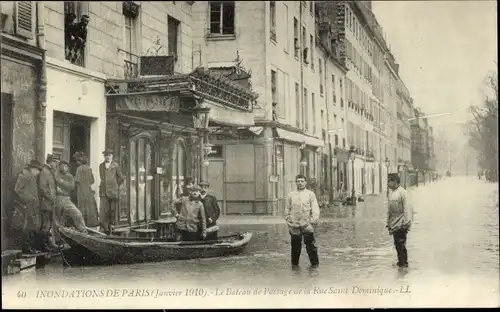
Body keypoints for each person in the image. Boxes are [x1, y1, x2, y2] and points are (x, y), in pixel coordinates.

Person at [285, 174, 320, 269]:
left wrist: (312, 221)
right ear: (296, 182)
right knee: (295, 247)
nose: (300, 183)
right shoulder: (291, 195)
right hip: (294, 225)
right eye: (298, 181)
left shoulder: (310, 194)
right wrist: (288, 220)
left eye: (302, 181)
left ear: (305, 182)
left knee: (311, 247)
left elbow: (315, 209)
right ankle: (295, 266)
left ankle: (315, 266)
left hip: (307, 225)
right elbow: (287, 209)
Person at [11, 160, 43, 253]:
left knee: (32, 226)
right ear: (32, 168)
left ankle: (30, 247)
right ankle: (26, 248)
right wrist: (30, 198)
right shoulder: (24, 176)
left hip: (32, 206)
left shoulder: (31, 176)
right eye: (38, 170)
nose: (38, 172)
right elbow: (18, 190)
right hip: (25, 206)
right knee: (26, 227)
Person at [386, 173, 413, 269]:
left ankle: (404, 263)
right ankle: (400, 262)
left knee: (401, 243)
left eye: (389, 181)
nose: (388, 183)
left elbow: (407, 208)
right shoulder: (391, 193)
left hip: (401, 222)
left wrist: (406, 222)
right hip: (394, 223)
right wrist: (388, 223)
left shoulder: (403, 192)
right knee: (397, 243)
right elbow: (389, 210)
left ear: (395, 181)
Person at [55, 160, 87, 233]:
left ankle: (83, 231)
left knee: (77, 213)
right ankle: (58, 237)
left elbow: (72, 187)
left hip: (66, 198)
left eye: (65, 166)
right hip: (57, 198)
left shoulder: (69, 176)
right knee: (57, 219)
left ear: (68, 167)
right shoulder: (55, 174)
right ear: (59, 167)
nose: (63, 168)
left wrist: (61, 181)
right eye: (62, 166)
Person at [99, 149, 124, 234]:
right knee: (104, 210)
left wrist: (116, 186)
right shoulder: (101, 166)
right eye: (106, 155)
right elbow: (102, 178)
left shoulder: (115, 165)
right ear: (104, 156)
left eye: (109, 155)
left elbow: (121, 178)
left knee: (113, 211)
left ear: (112, 156)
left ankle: (112, 227)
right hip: (103, 191)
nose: (108, 157)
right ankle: (105, 228)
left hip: (113, 192)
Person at [38, 154, 60, 251]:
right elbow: (43, 188)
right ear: (50, 162)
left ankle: (48, 244)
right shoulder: (44, 172)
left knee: (49, 224)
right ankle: (43, 246)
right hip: (46, 203)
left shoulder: (50, 172)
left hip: (50, 203)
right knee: (45, 225)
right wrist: (51, 198)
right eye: (55, 162)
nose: (56, 164)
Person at [75, 155, 99, 229]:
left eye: (77, 161)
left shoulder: (79, 169)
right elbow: (92, 180)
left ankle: (82, 223)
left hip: (81, 190)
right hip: (88, 190)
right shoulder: (89, 168)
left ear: (80, 161)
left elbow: (76, 180)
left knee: (81, 205)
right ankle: (91, 223)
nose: (77, 162)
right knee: (90, 206)